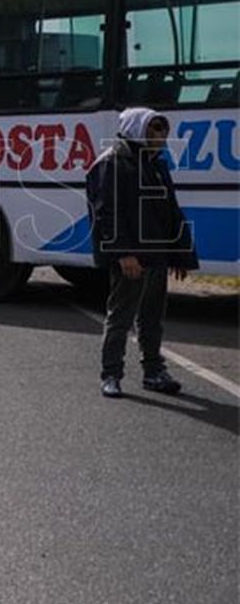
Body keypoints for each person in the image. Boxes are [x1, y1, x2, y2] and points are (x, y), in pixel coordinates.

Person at [87, 107, 195, 398]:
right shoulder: (113, 162)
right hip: (131, 258)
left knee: (151, 318)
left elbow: (171, 211)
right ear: (137, 128)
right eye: (155, 128)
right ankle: (111, 374)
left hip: (156, 254)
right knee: (120, 316)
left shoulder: (155, 163)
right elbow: (106, 213)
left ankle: (154, 372)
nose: (162, 135)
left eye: (163, 129)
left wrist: (180, 254)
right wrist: (123, 253)